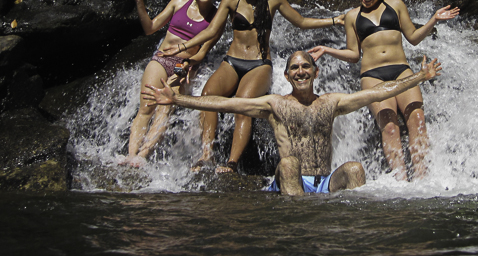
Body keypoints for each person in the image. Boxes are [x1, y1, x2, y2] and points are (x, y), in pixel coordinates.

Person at [143, 51, 442, 194]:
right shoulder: (275, 104)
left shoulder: (332, 103)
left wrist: (419, 77)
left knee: (354, 169)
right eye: (294, 68)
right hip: (290, 182)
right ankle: (299, 224)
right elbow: (225, 103)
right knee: (288, 164)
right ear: (286, 76)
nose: (300, 72)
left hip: (325, 182)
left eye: (305, 67)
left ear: (316, 71)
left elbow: (379, 91)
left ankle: (345, 224)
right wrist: (177, 99)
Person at [162, 0, 344, 173]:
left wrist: (335, 20)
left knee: (243, 103)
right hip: (232, 61)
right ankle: (206, 155)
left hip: (259, 64)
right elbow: (211, 30)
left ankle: (231, 163)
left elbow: (302, 22)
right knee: (207, 95)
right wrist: (182, 47)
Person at [309, 0, 459, 181]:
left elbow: (414, 38)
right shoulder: (352, 16)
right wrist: (327, 50)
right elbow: (353, 55)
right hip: (373, 75)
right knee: (389, 127)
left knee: (417, 119)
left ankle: (422, 178)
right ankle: (400, 180)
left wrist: (433, 19)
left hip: (401, 70)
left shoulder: (396, 5)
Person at [120, 0, 221, 167]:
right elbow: (149, 28)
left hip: (184, 66)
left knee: (165, 108)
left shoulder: (217, 18)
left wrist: (186, 65)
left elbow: (202, 53)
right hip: (161, 59)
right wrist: (139, 1)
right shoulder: (179, 2)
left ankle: (143, 155)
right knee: (147, 105)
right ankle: (131, 154)